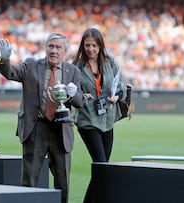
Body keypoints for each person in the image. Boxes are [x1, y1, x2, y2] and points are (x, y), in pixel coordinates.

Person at [0, 33, 84, 203]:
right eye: (51, 46)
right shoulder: (31, 65)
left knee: (63, 181)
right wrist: (4, 60)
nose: (54, 50)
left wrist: (73, 95)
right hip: (36, 127)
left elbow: (79, 101)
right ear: (45, 48)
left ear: (64, 51)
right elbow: (11, 73)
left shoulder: (72, 71)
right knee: (29, 180)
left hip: (61, 129)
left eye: (58, 47)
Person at [72, 27, 128, 203]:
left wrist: (116, 97)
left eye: (94, 46)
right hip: (87, 120)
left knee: (102, 169)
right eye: (87, 45)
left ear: (100, 46)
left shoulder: (110, 62)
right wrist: (81, 96)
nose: (90, 49)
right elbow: (71, 92)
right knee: (101, 164)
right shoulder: (77, 67)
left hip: (107, 119)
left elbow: (123, 87)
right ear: (83, 46)